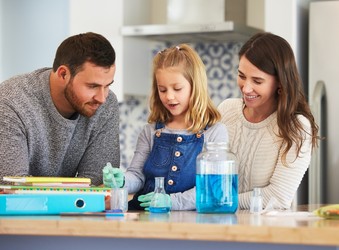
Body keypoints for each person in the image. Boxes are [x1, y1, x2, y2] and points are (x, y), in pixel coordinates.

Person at [109, 44, 228, 211]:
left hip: (189, 221)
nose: (169, 97)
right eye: (162, 89)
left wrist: (172, 202)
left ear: (195, 87)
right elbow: (136, 176)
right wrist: (121, 181)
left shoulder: (214, 132)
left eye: (177, 88)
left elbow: (210, 189)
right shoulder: (150, 131)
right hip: (144, 216)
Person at [0, 32, 120, 186]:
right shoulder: (11, 102)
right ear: (63, 74)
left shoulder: (106, 104)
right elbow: (12, 189)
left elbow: (98, 186)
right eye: (92, 86)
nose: (102, 98)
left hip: (66, 209)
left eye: (107, 85)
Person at [218, 32, 319, 210]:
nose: (246, 88)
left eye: (257, 81)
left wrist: (217, 202)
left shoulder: (296, 127)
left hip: (266, 231)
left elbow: (278, 197)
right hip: (217, 224)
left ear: (280, 82)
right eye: (241, 76)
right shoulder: (226, 110)